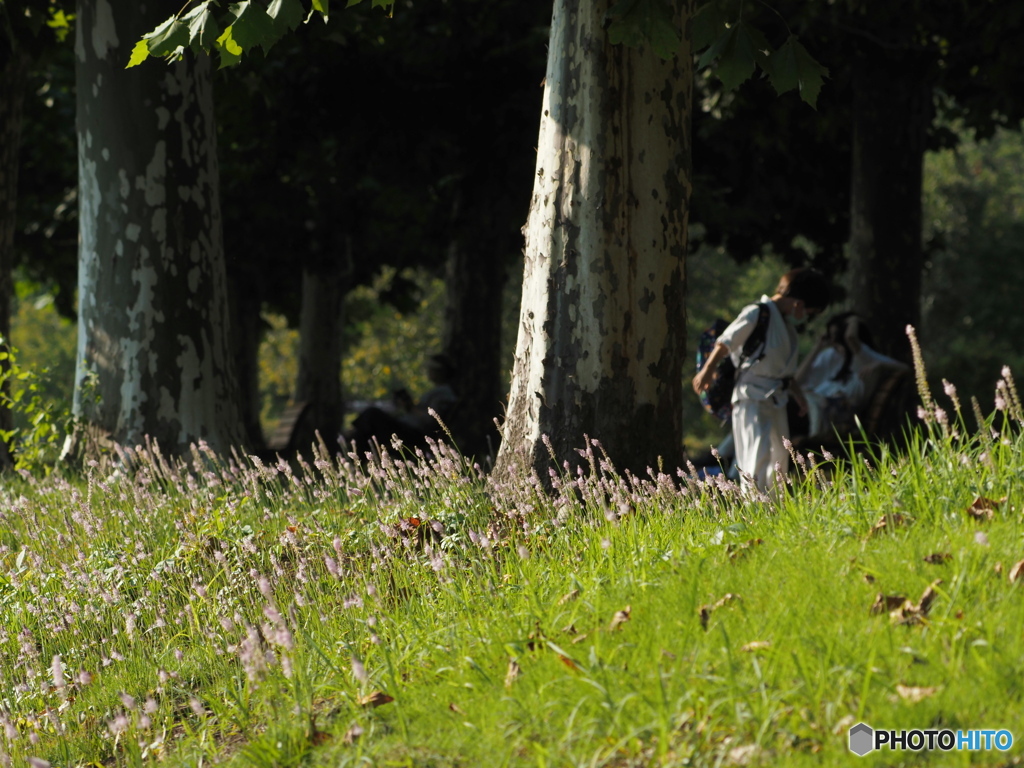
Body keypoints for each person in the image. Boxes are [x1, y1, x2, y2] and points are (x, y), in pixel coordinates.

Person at [692, 268, 831, 493]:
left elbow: (785, 371)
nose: (806, 316)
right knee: (757, 452)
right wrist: (707, 370)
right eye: (809, 311)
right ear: (798, 303)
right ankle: (754, 505)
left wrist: (798, 395)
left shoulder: (785, 326)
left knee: (778, 454)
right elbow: (727, 341)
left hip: (776, 398)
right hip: (752, 395)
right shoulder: (757, 313)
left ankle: (773, 506)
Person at [794, 312, 908, 439]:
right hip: (817, 410)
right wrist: (818, 346)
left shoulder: (862, 355)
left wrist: (854, 320)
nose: (833, 341)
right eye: (830, 336)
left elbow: (850, 337)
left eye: (837, 337)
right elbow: (796, 382)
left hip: (834, 416)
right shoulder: (832, 357)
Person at [346, 353, 458, 451]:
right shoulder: (438, 391)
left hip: (415, 435)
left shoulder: (443, 394)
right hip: (408, 430)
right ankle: (351, 447)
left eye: (431, 368)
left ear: (439, 371)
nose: (428, 371)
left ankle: (349, 443)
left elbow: (431, 420)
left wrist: (411, 407)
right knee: (365, 432)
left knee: (372, 414)